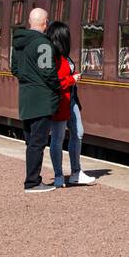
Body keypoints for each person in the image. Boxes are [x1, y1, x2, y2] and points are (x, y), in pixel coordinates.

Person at [11, 8, 61, 193]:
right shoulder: (43, 44)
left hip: (25, 98)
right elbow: (49, 72)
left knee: (31, 142)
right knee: (38, 143)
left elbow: (14, 69)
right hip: (42, 100)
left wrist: (29, 80)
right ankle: (32, 182)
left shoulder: (18, 44)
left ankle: (32, 180)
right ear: (45, 22)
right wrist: (57, 88)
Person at [45, 21, 95, 187]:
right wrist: (71, 79)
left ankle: (76, 172)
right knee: (57, 139)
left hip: (71, 100)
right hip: (60, 101)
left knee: (78, 132)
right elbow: (54, 82)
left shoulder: (64, 56)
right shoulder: (53, 57)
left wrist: (74, 77)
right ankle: (58, 175)